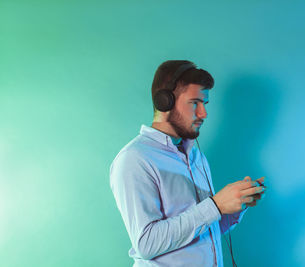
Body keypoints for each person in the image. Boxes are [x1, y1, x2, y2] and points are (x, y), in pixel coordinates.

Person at [110, 60, 266, 267]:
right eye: (195, 103)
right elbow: (146, 244)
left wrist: (235, 206)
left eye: (205, 104)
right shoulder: (135, 159)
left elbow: (199, 232)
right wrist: (217, 205)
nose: (204, 113)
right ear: (165, 102)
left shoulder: (196, 157)